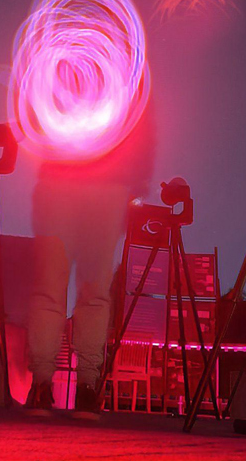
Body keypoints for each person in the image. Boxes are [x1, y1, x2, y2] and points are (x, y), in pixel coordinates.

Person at [24, 104, 155, 419]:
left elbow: (33, 113)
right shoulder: (129, 82)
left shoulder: (125, 83)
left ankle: (53, 384)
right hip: (98, 184)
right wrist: (135, 185)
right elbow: (143, 127)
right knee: (89, 291)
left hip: (75, 181)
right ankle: (81, 384)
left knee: (57, 289)